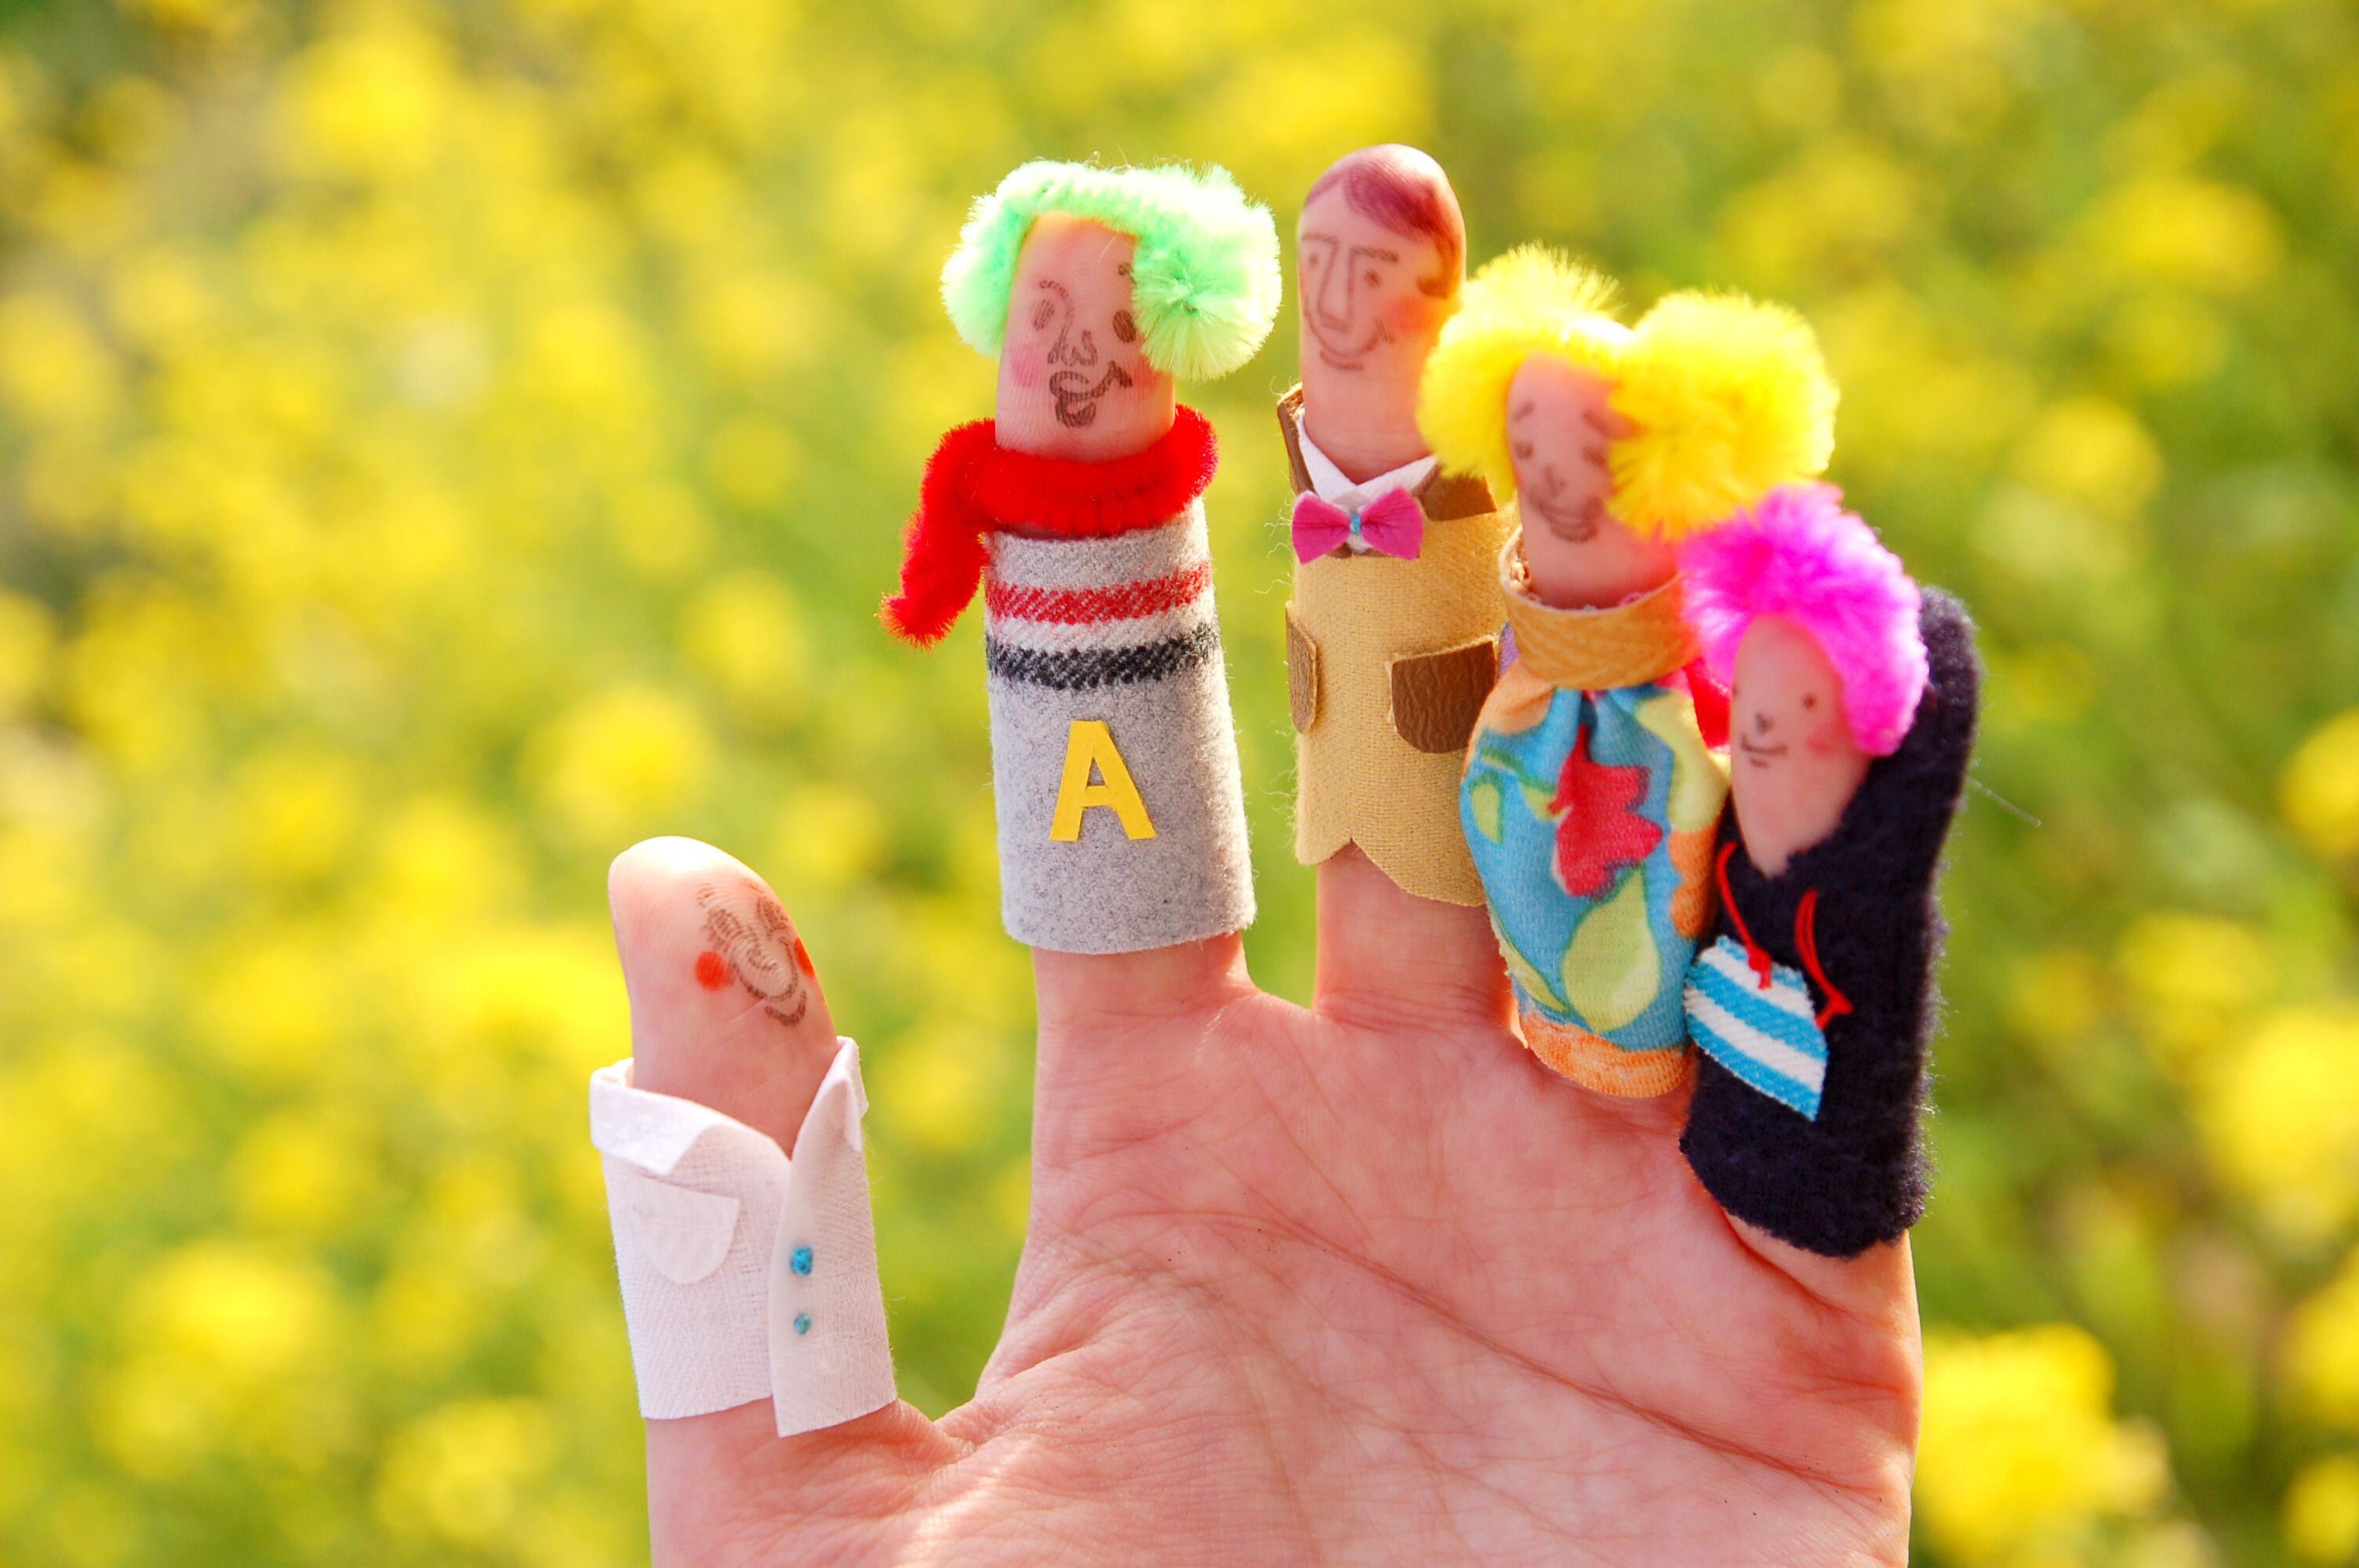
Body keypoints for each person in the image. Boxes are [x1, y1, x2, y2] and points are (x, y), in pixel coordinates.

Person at [1281, 146, 1511, 909]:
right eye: (1318, 265)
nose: (1333, 302)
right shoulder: (1312, 440)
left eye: (1371, 275)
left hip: (1450, 848)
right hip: (1331, 810)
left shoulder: (1495, 452)